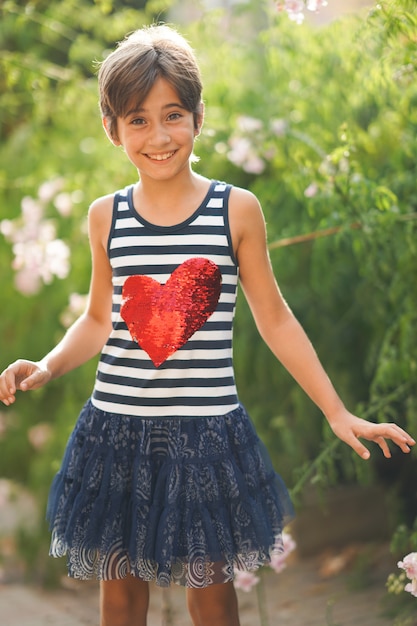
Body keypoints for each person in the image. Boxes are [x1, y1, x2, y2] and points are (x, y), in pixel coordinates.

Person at [0, 24, 414, 626]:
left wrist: (337, 411)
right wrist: (47, 364)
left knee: (212, 594)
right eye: (137, 120)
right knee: (119, 594)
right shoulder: (105, 217)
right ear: (112, 128)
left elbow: (274, 318)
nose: (159, 135)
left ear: (198, 116)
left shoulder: (236, 209)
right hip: (117, 432)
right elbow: (96, 320)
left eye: (173, 115)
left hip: (206, 436)